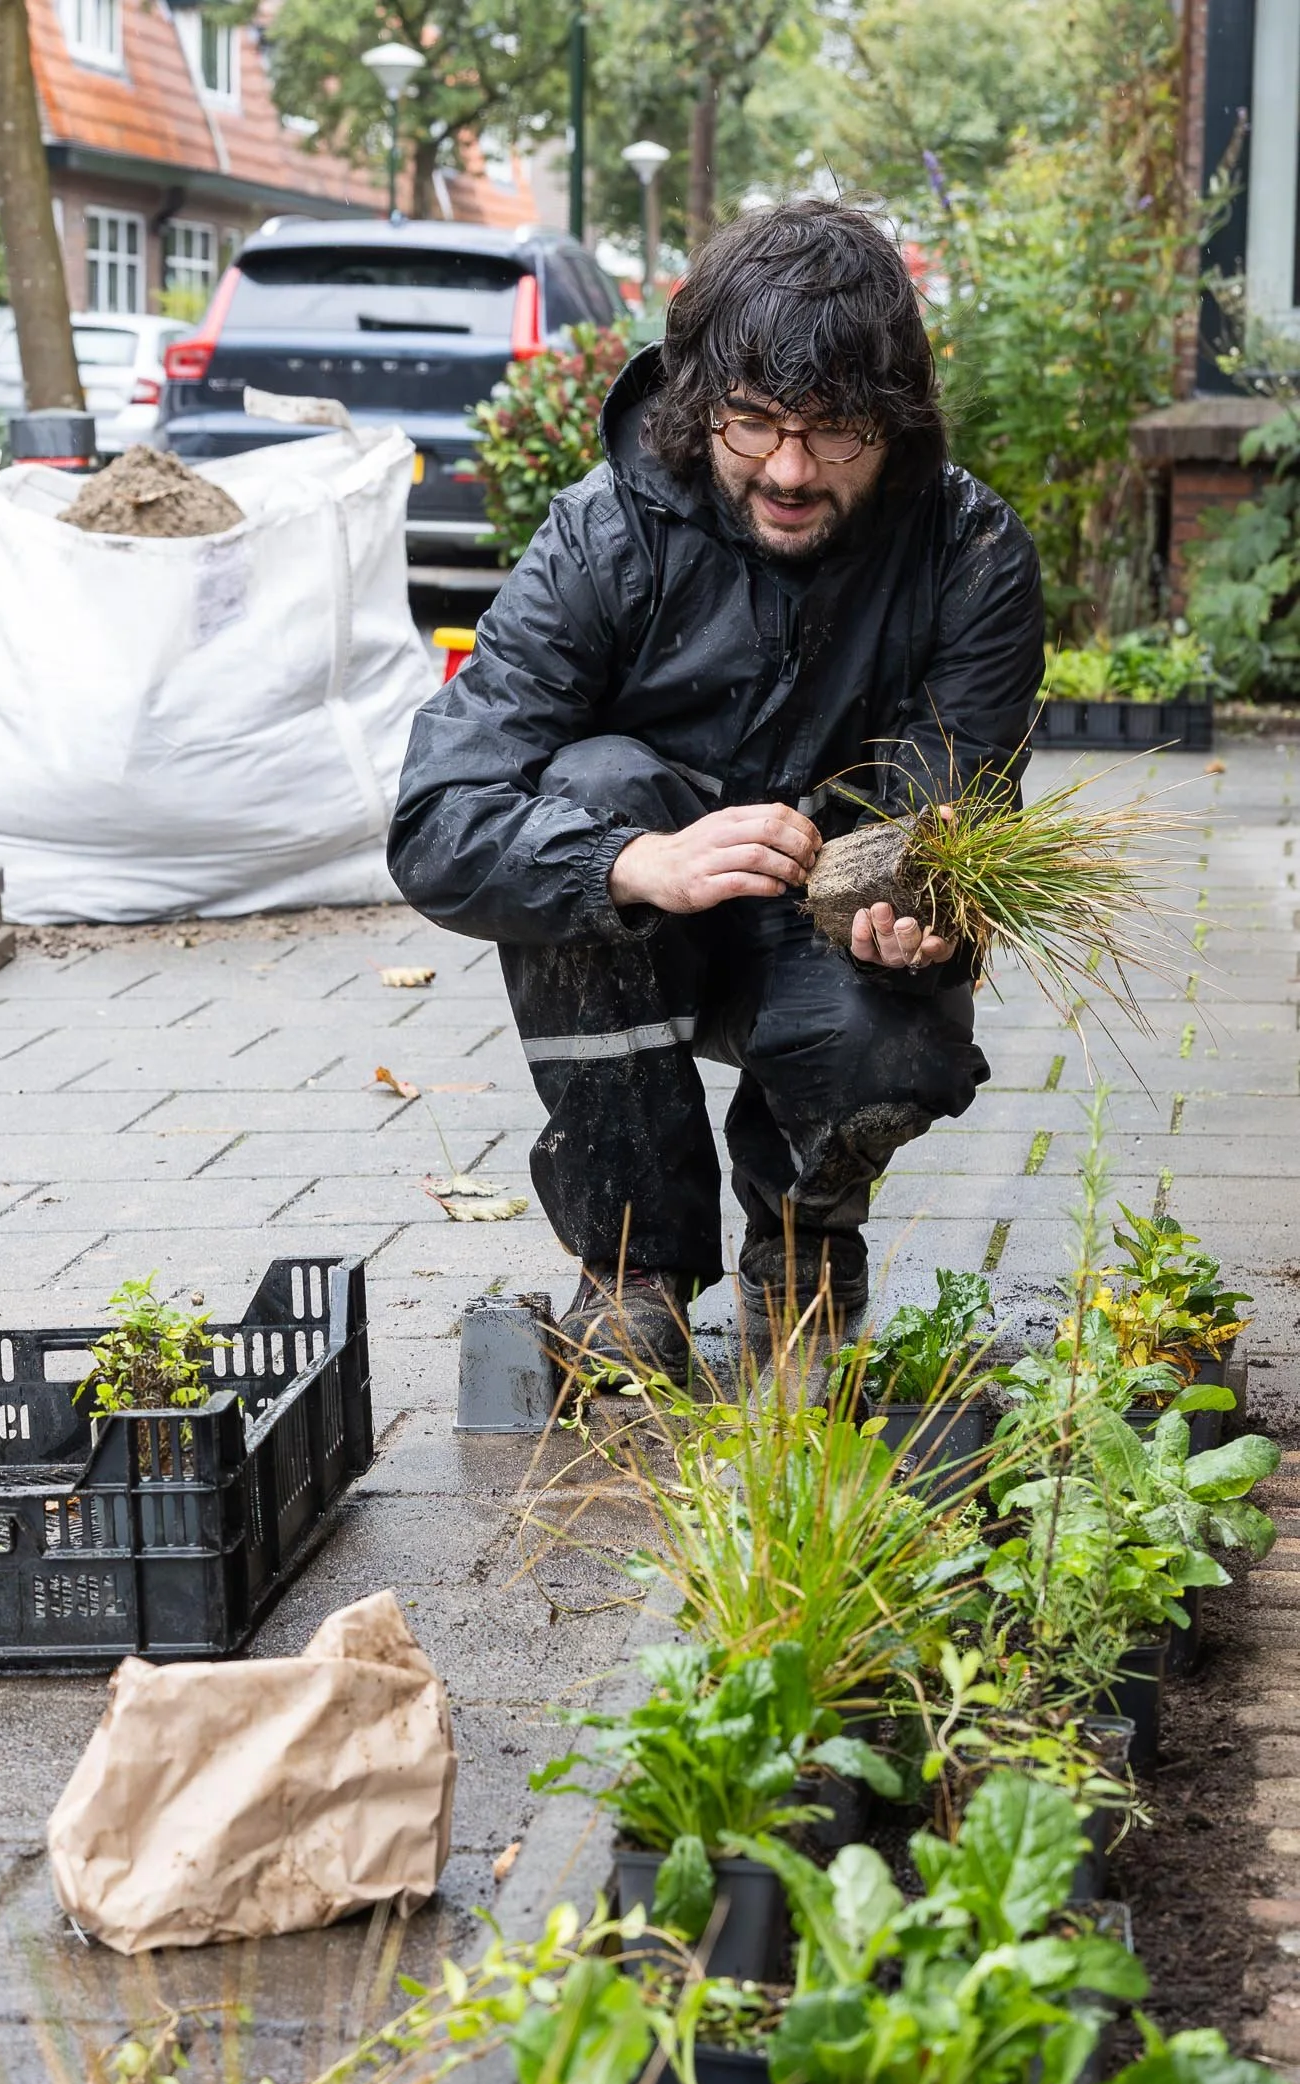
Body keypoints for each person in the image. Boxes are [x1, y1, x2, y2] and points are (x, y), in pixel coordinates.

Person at [388, 198, 1045, 1378]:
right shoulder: (601, 540)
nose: (789, 471)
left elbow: (962, 812)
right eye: (753, 425)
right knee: (590, 789)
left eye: (836, 432)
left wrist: (930, 918)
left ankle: (803, 1230)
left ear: (896, 419)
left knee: (888, 1033)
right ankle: (632, 1262)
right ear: (700, 406)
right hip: (650, 937)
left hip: (832, 944)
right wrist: (628, 864)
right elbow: (435, 821)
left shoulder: (969, 554)